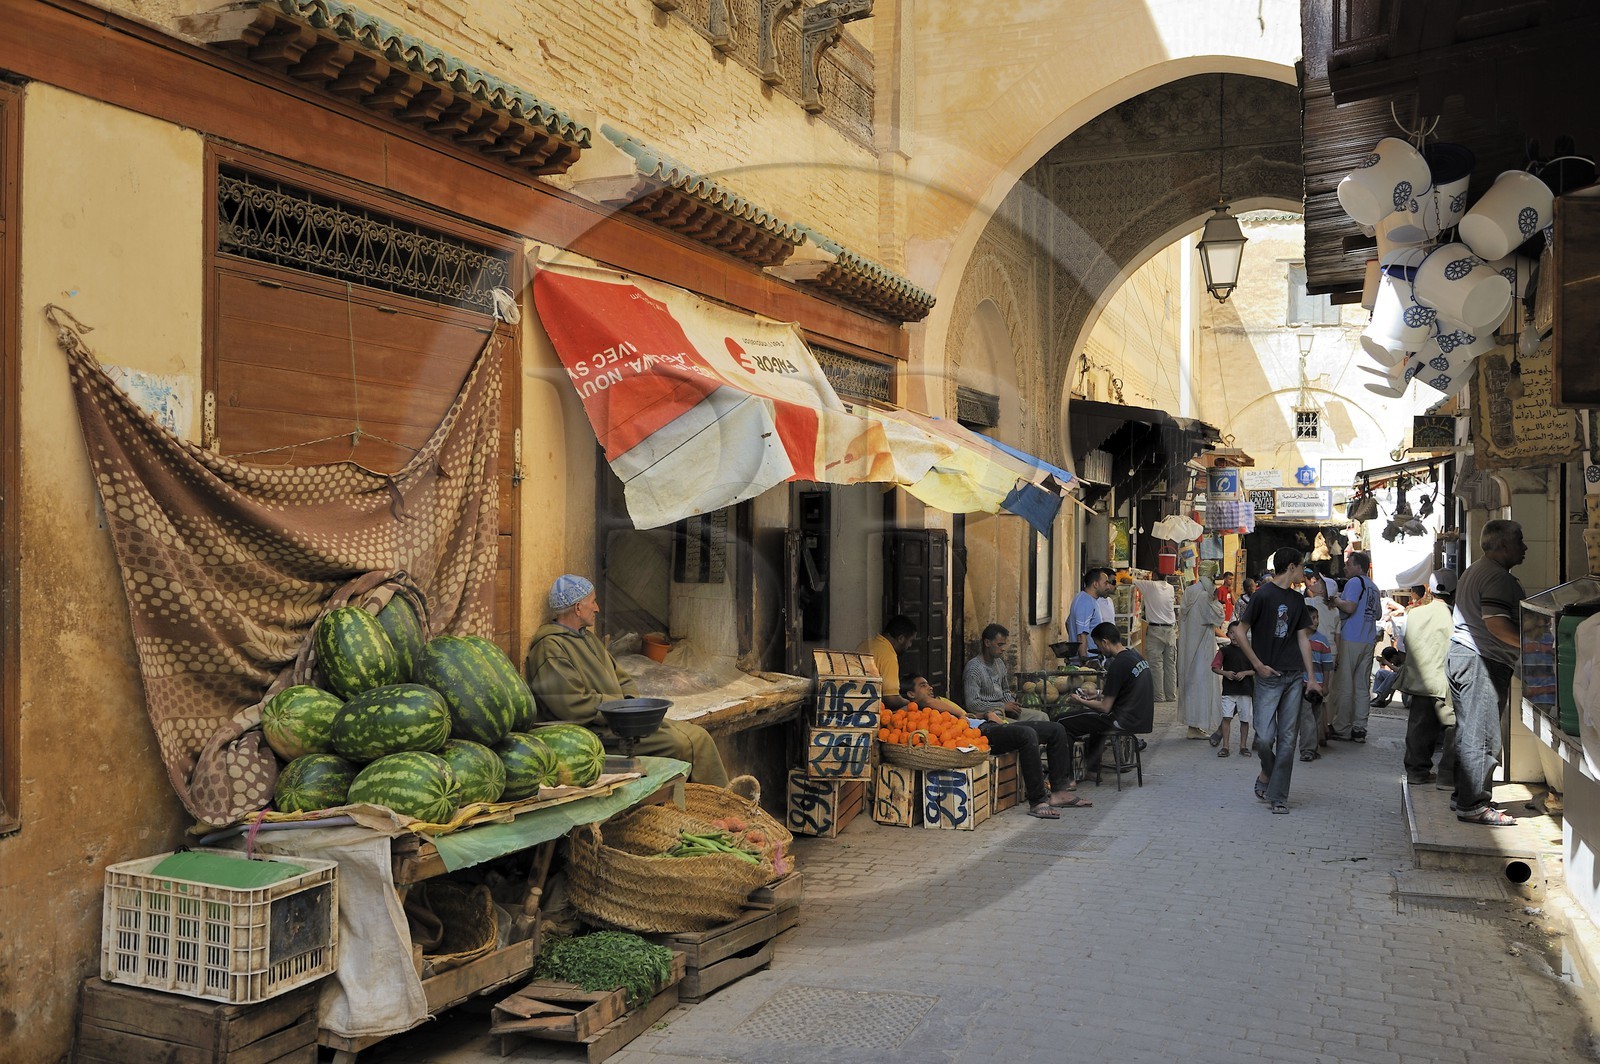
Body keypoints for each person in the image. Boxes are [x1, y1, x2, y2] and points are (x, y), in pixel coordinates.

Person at [525, 575, 729, 785]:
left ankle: (721, 808)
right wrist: (619, 709)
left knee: (700, 736)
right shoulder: (550, 648)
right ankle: (710, 809)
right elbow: (571, 704)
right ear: (578, 608)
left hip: (620, 721)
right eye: (593, 602)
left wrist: (632, 706)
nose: (597, 608)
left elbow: (622, 677)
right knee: (681, 744)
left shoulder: (587, 638)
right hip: (594, 733)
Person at [906, 674, 1084, 817]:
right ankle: (1038, 801)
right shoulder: (916, 708)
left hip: (986, 725)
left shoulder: (939, 700)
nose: (930, 687)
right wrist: (966, 715)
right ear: (911, 694)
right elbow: (942, 708)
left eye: (928, 684)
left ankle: (1059, 791)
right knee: (1027, 735)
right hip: (981, 735)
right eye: (923, 685)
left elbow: (967, 715)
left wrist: (985, 714)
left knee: (1056, 729)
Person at [1448, 520, 1528, 826]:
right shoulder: (1496, 576)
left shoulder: (1477, 569)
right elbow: (1496, 623)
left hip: (1464, 656)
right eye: (1519, 540)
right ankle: (1473, 805)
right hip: (1481, 660)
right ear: (1502, 545)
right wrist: (1531, 646)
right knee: (1482, 734)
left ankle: (1463, 796)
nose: (1525, 547)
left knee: (1470, 731)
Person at [1232, 548, 1322, 814]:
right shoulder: (1262, 596)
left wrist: (1312, 679)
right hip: (1268, 677)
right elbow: (1239, 631)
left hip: (1293, 676)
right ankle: (1266, 773)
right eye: (1301, 568)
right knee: (1264, 738)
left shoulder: (1297, 600)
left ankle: (1279, 795)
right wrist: (1257, 664)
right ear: (1291, 567)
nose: (1303, 573)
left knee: (1287, 739)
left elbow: (1303, 638)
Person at [1060, 622, 1155, 775]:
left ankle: (1067, 777)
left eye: (1098, 645)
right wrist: (1097, 693)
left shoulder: (1117, 665)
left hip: (1122, 720)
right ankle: (1092, 769)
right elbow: (1125, 691)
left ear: (1105, 642)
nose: (1099, 650)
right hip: (1140, 718)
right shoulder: (1134, 655)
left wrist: (1081, 701)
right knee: (1093, 721)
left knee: (1062, 722)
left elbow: (1105, 707)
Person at [1397, 569, 1458, 788]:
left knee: (1418, 728)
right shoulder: (1455, 616)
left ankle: (1416, 772)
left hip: (1417, 679)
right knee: (1453, 728)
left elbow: (1403, 645)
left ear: (1430, 590)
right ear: (1455, 590)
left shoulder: (1414, 613)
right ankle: (1447, 776)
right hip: (1445, 683)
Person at [1329, 551, 1381, 743]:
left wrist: (1335, 600)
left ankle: (1342, 727)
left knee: (1345, 685)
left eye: (1348, 564)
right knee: (1361, 686)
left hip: (1351, 638)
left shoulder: (1354, 582)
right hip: (1368, 639)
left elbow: (1350, 607)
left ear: (1358, 566)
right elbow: (1377, 614)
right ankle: (1360, 728)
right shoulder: (1373, 587)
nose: (1345, 567)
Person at [962, 623, 1049, 722]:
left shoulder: (999, 663)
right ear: (987, 643)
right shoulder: (974, 668)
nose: (1003, 649)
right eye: (999, 645)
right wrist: (1002, 706)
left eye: (1004, 644)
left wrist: (1011, 705)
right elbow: (972, 704)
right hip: (987, 716)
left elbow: (1005, 691)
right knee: (1022, 729)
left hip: (1004, 711)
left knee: (1042, 717)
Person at [1178, 573, 1224, 739]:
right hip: (1202, 650)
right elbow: (1218, 617)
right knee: (1201, 686)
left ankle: (1194, 725)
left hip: (1189, 647)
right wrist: (1215, 600)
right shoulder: (1204, 596)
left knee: (1191, 685)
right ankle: (1195, 726)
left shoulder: (1189, 591)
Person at [1131, 575, 1178, 702]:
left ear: (1155, 576)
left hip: (1155, 630)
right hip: (1170, 630)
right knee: (1170, 665)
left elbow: (1129, 580)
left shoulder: (1150, 585)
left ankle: (1158, 696)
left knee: (1156, 665)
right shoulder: (1170, 588)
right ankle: (1171, 695)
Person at [1210, 619, 1253, 757]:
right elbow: (1215, 667)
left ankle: (1243, 746)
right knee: (1227, 718)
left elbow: (1256, 669)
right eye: (1232, 633)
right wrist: (1225, 673)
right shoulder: (1224, 651)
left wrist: (1244, 673)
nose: (1234, 636)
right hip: (1229, 690)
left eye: (1238, 633)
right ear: (1227, 634)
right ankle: (1226, 747)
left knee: (1244, 720)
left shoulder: (1250, 651)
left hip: (1245, 690)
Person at [1297, 609, 1336, 761]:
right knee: (1307, 717)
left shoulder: (1322, 640)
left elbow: (1327, 665)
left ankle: (1312, 748)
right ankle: (1307, 749)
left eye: (1317, 617)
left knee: (1316, 717)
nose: (1316, 621)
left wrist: (1326, 685)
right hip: (1303, 685)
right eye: (1312, 618)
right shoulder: (1297, 639)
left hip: (1318, 686)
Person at [860, 615, 918, 710]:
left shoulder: (866, 644)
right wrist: (912, 704)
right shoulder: (888, 655)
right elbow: (891, 699)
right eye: (910, 641)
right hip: (870, 710)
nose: (910, 645)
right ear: (901, 639)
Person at [1068, 567, 1115, 660]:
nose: (1108, 587)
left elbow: (1068, 623)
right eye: (1105, 583)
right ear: (1095, 584)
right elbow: (1081, 635)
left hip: (1095, 657)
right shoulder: (1085, 602)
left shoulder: (1088, 599)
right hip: (1090, 661)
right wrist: (1085, 661)